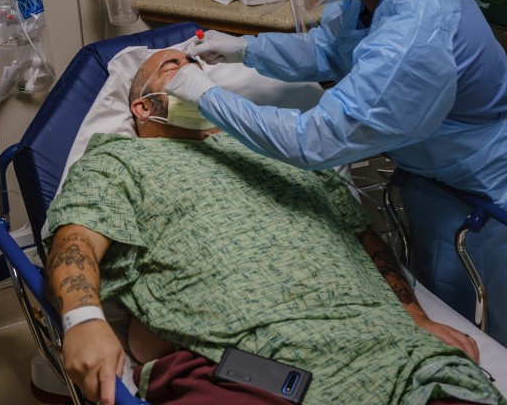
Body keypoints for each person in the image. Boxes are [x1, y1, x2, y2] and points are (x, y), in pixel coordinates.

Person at [164, 0, 507, 346]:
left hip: (484, 189)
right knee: (437, 301)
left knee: (486, 330)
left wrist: (206, 95)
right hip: (433, 178)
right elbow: (331, 50)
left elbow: (313, 142)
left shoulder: (412, 39)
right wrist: (246, 48)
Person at [44, 48, 503, 405]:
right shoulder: (122, 159)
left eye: (199, 66)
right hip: (239, 358)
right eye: (175, 67)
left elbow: (364, 239)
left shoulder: (280, 147)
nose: (194, 71)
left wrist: (416, 318)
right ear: (143, 108)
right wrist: (83, 319)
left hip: (376, 339)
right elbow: (76, 239)